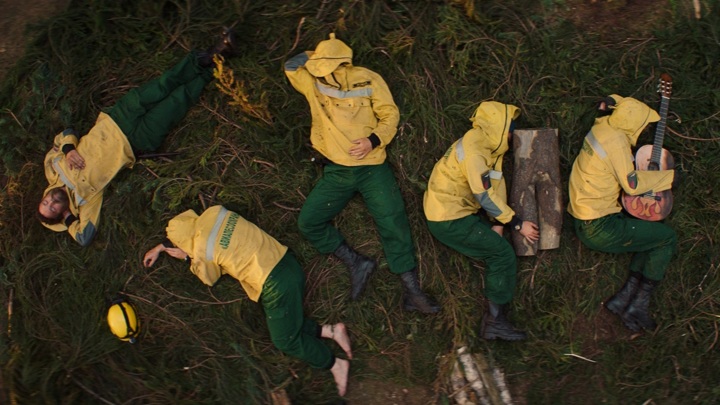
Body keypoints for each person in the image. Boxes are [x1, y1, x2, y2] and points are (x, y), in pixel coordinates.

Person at [283, 33, 439, 313]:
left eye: (328, 65)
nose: (324, 71)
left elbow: (390, 114)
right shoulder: (312, 82)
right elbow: (291, 65)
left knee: (393, 221)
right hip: (337, 171)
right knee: (309, 222)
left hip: (373, 167)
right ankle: (357, 262)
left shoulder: (368, 78)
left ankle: (412, 291)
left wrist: (373, 140)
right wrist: (317, 55)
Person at [38, 29, 238, 246]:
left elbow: (64, 134)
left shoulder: (52, 169)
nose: (51, 202)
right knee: (178, 102)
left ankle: (210, 54)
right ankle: (218, 64)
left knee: (163, 85)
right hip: (137, 142)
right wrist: (68, 219)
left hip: (117, 119)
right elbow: (84, 237)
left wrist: (69, 150)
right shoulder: (85, 202)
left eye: (45, 202)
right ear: (62, 212)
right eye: (53, 209)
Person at [142, 205, 352, 396]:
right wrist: (160, 247)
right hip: (285, 261)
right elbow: (190, 232)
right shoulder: (214, 212)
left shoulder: (202, 251)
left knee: (284, 340)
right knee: (287, 319)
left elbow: (209, 278)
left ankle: (334, 364)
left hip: (274, 283)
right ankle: (331, 331)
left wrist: (188, 257)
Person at [424, 101, 540, 341]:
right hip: (448, 218)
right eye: (510, 131)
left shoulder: (487, 147)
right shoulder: (475, 150)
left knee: (497, 246)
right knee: (502, 254)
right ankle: (494, 323)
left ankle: (495, 320)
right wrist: (517, 223)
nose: (512, 137)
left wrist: (498, 224)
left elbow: (495, 186)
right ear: (500, 127)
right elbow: (484, 195)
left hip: (453, 212)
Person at [568, 95, 678, 332]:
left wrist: (612, 101)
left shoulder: (602, 127)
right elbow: (632, 184)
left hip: (586, 216)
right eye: (642, 125)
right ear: (633, 123)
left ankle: (623, 298)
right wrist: (669, 178)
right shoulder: (617, 142)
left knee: (649, 235)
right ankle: (639, 304)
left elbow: (621, 106)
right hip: (600, 226)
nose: (643, 129)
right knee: (666, 238)